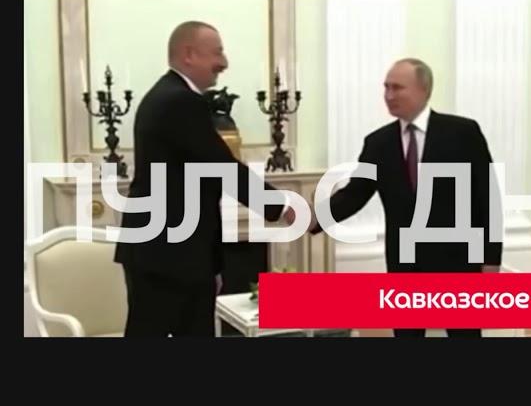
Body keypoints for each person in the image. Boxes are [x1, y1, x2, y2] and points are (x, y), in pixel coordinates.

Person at [115, 21, 295, 337]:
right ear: (189, 54)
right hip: (171, 256)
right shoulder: (181, 101)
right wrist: (282, 206)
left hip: (165, 252)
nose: (224, 63)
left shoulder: (165, 95)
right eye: (217, 52)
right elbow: (222, 167)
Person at [310, 58, 503, 338]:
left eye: (397, 88)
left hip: (458, 261)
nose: (389, 95)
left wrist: (490, 260)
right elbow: (355, 193)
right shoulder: (378, 143)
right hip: (405, 263)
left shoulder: (463, 133)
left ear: (424, 90)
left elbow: (488, 199)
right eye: (386, 87)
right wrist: (312, 217)